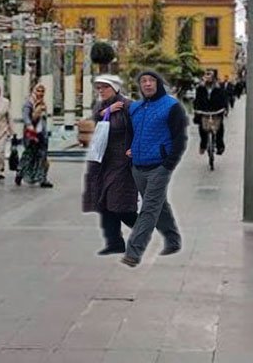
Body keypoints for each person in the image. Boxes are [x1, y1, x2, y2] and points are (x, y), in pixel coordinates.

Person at [121, 70, 188, 267]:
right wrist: (128, 150)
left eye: (151, 80)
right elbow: (129, 133)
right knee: (159, 205)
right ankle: (173, 240)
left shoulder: (172, 106)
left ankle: (133, 252)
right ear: (140, 86)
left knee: (149, 208)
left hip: (159, 166)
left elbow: (180, 138)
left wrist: (169, 164)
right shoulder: (136, 108)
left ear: (158, 83)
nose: (148, 84)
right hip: (138, 167)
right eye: (143, 81)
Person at [83, 75, 137, 255]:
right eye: (98, 88)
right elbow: (96, 118)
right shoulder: (101, 106)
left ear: (114, 88)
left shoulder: (128, 106)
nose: (101, 91)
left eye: (104, 87)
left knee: (119, 203)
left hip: (123, 159)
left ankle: (143, 226)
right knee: (104, 204)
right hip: (102, 160)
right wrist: (107, 112)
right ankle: (114, 242)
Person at [17, 84, 53, 188]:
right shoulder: (29, 103)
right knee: (28, 156)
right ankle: (19, 173)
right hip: (31, 135)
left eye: (42, 91)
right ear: (34, 91)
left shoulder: (42, 104)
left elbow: (44, 119)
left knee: (42, 156)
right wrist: (29, 125)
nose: (40, 93)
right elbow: (25, 116)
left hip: (42, 135)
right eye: (38, 91)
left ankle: (42, 179)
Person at [194, 70, 228, 161]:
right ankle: (203, 145)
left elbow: (224, 98)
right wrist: (196, 110)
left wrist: (225, 109)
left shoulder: (219, 87)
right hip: (204, 110)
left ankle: (220, 146)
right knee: (202, 128)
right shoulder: (200, 88)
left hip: (217, 110)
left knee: (220, 128)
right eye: (206, 76)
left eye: (210, 77)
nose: (208, 79)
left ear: (213, 78)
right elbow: (197, 99)